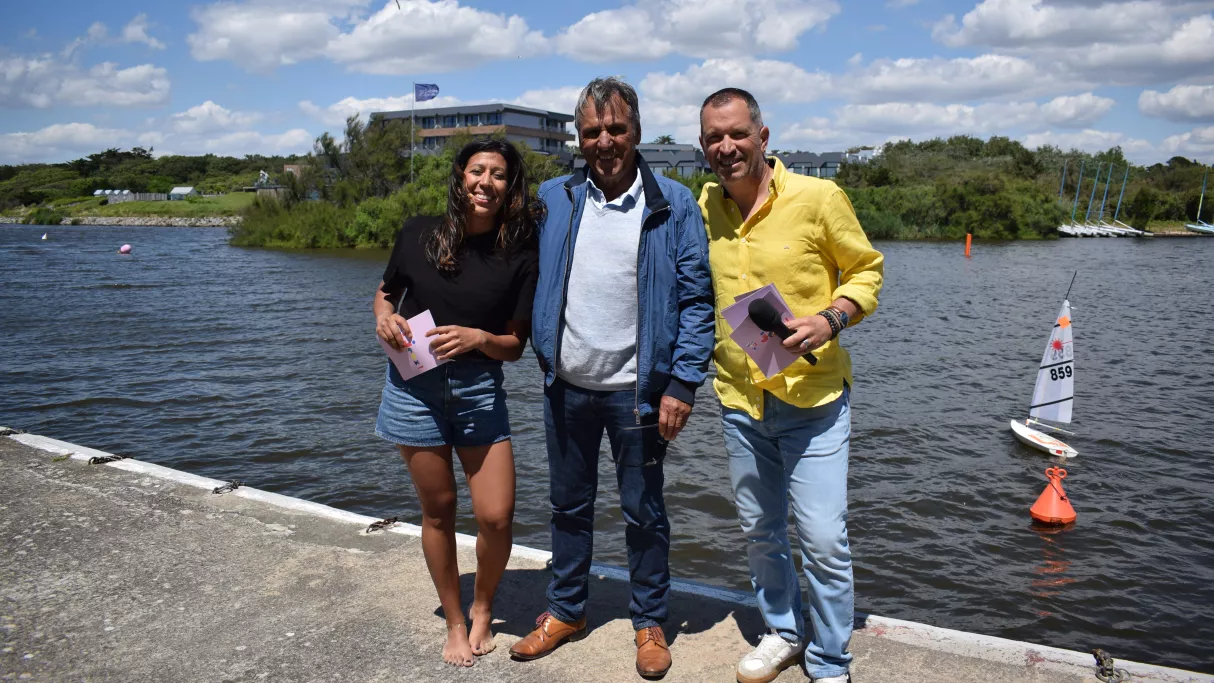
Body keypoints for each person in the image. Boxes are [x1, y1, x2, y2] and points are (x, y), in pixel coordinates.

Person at [508, 77, 714, 680]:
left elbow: (699, 301)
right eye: (593, 130)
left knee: (643, 511)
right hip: (566, 386)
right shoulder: (555, 197)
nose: (605, 141)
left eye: (616, 128)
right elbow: (504, 259)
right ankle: (565, 609)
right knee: (567, 507)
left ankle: (649, 620)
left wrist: (683, 383)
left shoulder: (673, 205)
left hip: (639, 396)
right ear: (579, 135)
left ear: (638, 131)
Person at [697, 88, 884, 683]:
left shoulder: (819, 197)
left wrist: (830, 319)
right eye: (713, 138)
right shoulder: (703, 206)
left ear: (763, 135)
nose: (726, 147)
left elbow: (867, 271)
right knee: (760, 531)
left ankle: (830, 662)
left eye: (736, 134)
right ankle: (783, 631)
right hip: (739, 399)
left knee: (825, 540)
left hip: (814, 400)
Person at [372, 139, 542, 668]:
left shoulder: (520, 251)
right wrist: (382, 317)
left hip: (477, 389)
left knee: (495, 516)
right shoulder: (418, 232)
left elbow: (515, 346)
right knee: (439, 511)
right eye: (476, 171)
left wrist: (477, 339)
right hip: (413, 389)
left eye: (498, 175)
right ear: (460, 176)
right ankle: (454, 619)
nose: (485, 182)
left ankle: (484, 607)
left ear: (510, 187)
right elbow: (384, 292)